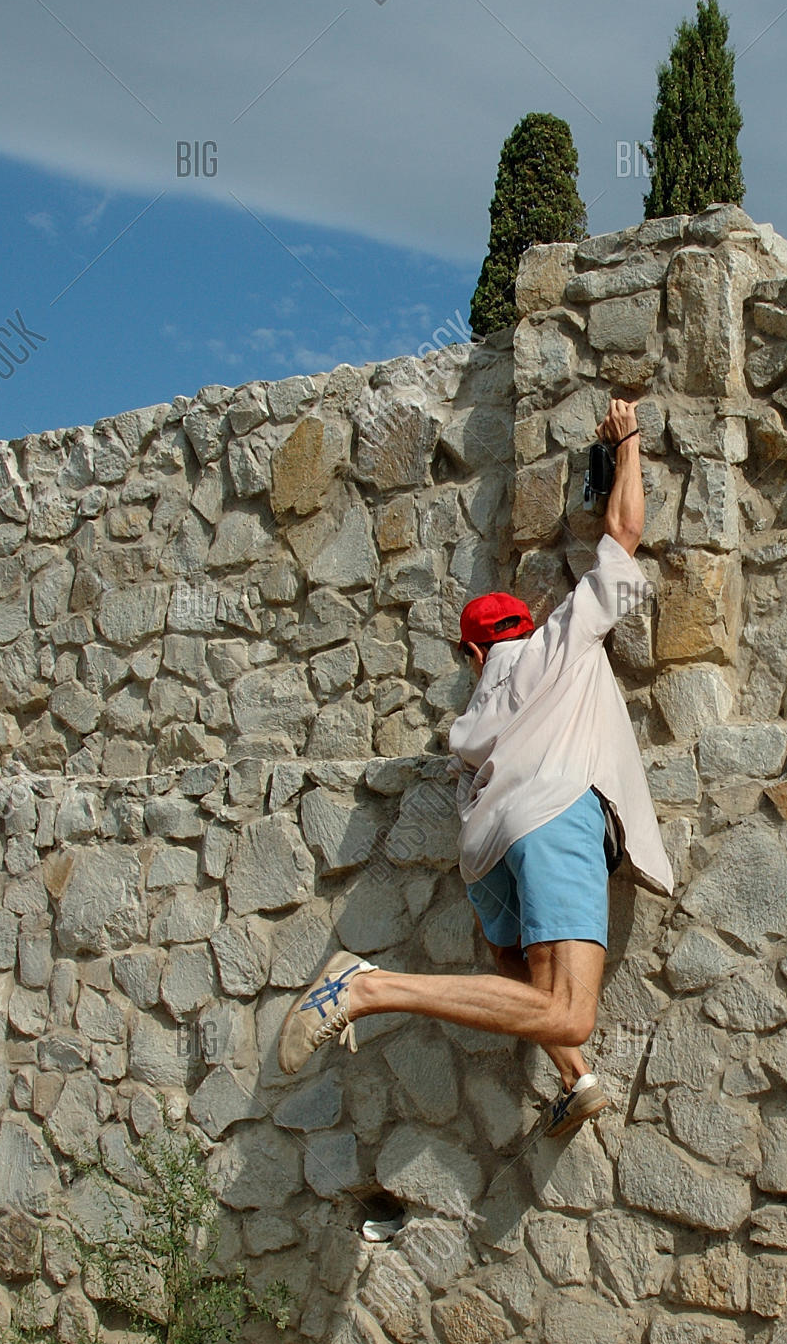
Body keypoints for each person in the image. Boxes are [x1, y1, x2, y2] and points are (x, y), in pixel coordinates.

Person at [278, 396, 675, 1142]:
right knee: (570, 1007)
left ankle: (572, 1073)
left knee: (515, 960)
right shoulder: (564, 642)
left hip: (486, 846)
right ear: (526, 624)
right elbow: (623, 533)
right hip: (553, 814)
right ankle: (367, 988)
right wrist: (629, 444)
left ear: (471, 655)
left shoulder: (469, 724)